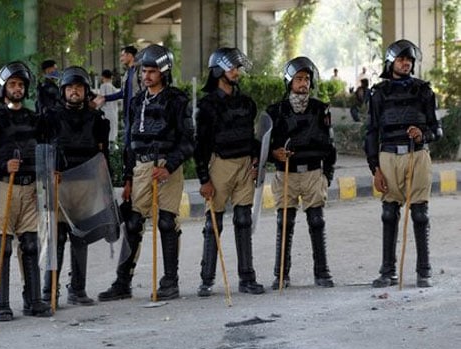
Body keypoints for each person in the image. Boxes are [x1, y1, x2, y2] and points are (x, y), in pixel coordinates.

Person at [98, 44, 195, 301]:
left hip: (166, 168)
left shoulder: (178, 100)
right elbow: (130, 141)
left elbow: (187, 141)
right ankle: (122, 282)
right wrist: (128, 179)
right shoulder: (136, 101)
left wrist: (169, 166)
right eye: (144, 71)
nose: (146, 76)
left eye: (152, 71)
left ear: (163, 72)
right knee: (132, 221)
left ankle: (170, 281)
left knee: (166, 222)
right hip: (141, 168)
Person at [0, 61, 52, 321]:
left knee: (30, 243)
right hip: (3, 187)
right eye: (12, 84)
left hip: (30, 187)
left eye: (20, 85)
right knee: (3, 246)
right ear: (3, 87)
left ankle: (33, 301)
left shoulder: (34, 119)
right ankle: (2, 303)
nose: (17, 89)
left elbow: (45, 149)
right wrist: (2, 165)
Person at [365, 39, 442, 288]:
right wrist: (375, 168)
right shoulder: (378, 93)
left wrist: (423, 134)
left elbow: (437, 130)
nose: (406, 63)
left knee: (420, 214)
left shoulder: (425, 91)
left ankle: (424, 271)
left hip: (417, 155)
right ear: (391, 63)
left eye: (409, 59)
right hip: (388, 156)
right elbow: (371, 132)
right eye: (401, 59)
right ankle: (388, 271)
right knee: (389, 213)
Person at [194, 47, 265, 297]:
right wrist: (204, 179)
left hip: (244, 165)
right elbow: (200, 145)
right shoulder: (207, 106)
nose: (236, 72)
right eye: (231, 67)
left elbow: (252, 137)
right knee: (213, 223)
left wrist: (257, 159)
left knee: (244, 220)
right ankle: (207, 280)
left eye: (237, 67)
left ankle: (247, 278)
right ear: (218, 71)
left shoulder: (247, 103)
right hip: (219, 165)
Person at [41, 66, 110, 306]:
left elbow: (104, 154)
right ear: (63, 91)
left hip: (87, 184)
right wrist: (47, 175)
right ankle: (49, 291)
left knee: (81, 237)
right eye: (70, 88)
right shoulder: (50, 117)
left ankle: (78, 289)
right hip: (60, 184)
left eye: (78, 88)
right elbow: (42, 150)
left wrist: (105, 185)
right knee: (56, 238)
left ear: (85, 91)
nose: (74, 92)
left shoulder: (96, 119)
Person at [267, 56, 336, 290]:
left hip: (313, 173)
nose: (303, 83)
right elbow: (264, 146)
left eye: (306, 78)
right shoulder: (276, 111)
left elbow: (330, 146)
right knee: (284, 222)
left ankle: (322, 273)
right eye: (298, 79)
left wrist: (327, 176)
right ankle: (281, 275)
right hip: (286, 173)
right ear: (289, 82)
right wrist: (274, 155)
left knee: (316, 221)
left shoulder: (320, 109)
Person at [94, 45, 140, 147]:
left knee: (136, 142)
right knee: (128, 143)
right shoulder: (128, 73)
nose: (121, 58)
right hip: (128, 113)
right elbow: (122, 93)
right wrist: (105, 98)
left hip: (138, 112)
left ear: (129, 55)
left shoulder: (140, 71)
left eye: (123, 55)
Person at [96, 69, 120, 146]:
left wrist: (95, 108)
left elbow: (102, 100)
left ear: (103, 77)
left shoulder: (103, 86)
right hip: (114, 113)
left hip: (106, 114)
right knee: (113, 134)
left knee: (106, 135)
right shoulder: (114, 88)